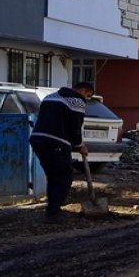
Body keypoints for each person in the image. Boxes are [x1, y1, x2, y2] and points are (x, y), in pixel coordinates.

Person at [29, 82, 92, 223]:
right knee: (64, 177)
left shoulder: (50, 96)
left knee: (53, 176)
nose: (86, 99)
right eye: (87, 96)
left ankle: (52, 208)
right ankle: (53, 213)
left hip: (38, 140)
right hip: (56, 143)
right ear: (83, 90)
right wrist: (78, 146)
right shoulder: (77, 101)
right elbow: (75, 127)